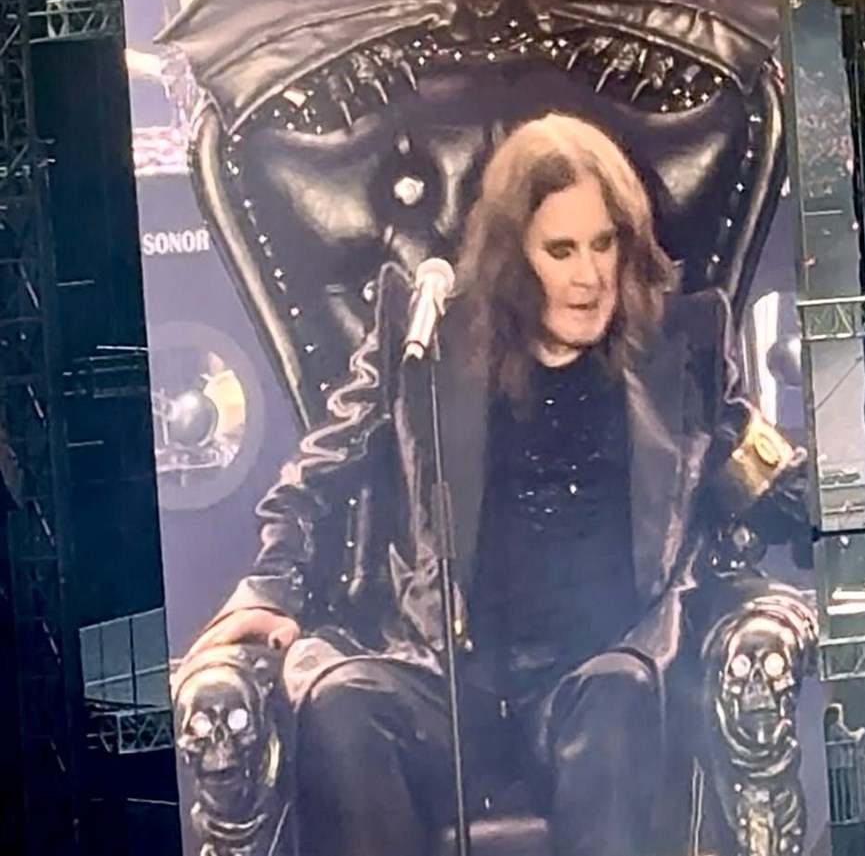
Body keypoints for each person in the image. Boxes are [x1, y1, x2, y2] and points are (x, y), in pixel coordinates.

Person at [185, 112, 800, 856]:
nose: (589, 275)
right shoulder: (428, 337)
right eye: (561, 250)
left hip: (598, 673)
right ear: (514, 258)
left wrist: (838, 513)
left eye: (604, 243)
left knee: (620, 693)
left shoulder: (683, 343)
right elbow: (320, 470)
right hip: (450, 676)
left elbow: (760, 472)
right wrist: (270, 585)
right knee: (343, 703)